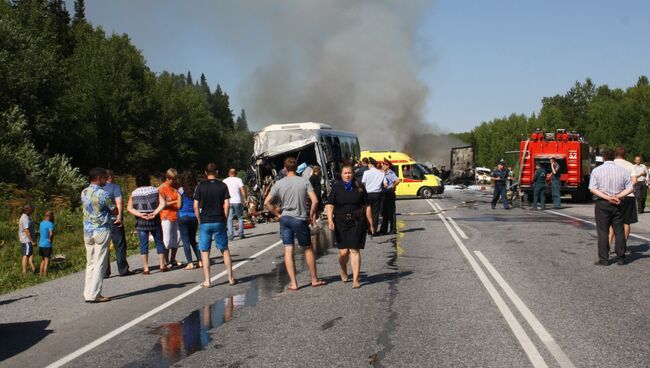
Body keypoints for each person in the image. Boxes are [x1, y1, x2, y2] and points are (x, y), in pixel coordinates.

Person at [264, 157, 326, 291]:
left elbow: (266, 202)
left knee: (288, 249)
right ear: (297, 168)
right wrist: (310, 215)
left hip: (285, 218)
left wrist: (277, 214)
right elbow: (315, 201)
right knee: (307, 248)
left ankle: (293, 283)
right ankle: (314, 279)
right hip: (300, 218)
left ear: (285, 169)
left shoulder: (279, 183)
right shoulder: (304, 181)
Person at [327, 165, 374, 288]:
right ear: (341, 175)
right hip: (340, 222)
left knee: (354, 249)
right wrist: (330, 220)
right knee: (343, 252)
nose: (347, 175)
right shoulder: (337, 187)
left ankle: (355, 279)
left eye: (349, 173)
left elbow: (367, 206)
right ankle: (343, 269)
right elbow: (330, 205)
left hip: (357, 221)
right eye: (345, 173)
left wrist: (371, 223)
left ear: (353, 174)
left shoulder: (359, 187)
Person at [588, 148, 633, 265]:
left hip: (603, 202)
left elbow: (592, 188)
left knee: (603, 231)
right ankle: (621, 257)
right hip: (618, 203)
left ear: (603, 157)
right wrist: (618, 196)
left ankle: (604, 258)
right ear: (614, 157)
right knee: (619, 230)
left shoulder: (597, 171)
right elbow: (630, 188)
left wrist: (608, 197)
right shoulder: (623, 171)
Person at [194, 163, 234, 288]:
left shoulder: (200, 186)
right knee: (224, 249)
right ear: (216, 172)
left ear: (205, 173)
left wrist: (199, 219)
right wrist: (225, 218)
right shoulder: (223, 185)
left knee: (205, 251)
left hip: (206, 221)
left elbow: (195, 205)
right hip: (219, 220)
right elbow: (227, 204)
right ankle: (230, 278)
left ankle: (207, 280)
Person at [81, 168, 117, 303]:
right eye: (103, 178)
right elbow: (114, 209)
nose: (105, 180)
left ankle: (87, 292)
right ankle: (95, 294)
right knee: (100, 262)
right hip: (101, 229)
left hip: (88, 230)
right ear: (99, 178)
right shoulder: (103, 194)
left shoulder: (84, 192)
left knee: (90, 262)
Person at [127, 172, 166, 275]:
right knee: (159, 242)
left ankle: (146, 268)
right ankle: (162, 265)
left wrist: (140, 214)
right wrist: (155, 212)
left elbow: (129, 208)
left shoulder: (134, 193)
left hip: (141, 221)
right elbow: (163, 203)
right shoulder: (155, 190)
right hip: (155, 219)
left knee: (144, 244)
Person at [102, 169, 131, 277]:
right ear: (110, 177)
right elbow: (119, 202)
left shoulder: (98, 189)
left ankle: (105, 271)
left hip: (102, 221)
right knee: (119, 245)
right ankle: (123, 270)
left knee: (104, 246)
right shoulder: (115, 187)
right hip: (114, 219)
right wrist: (119, 217)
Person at [608, 146, 638, 250]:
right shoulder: (630, 165)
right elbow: (634, 181)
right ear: (624, 155)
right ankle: (622, 245)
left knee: (611, 223)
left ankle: (608, 245)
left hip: (613, 195)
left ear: (614, 154)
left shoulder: (611, 164)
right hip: (628, 196)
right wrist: (626, 189)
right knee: (626, 222)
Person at [178, 171, 201, 269]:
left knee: (185, 240)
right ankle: (200, 260)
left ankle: (190, 263)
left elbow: (179, 205)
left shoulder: (181, 190)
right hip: (194, 217)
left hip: (183, 216)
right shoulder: (196, 189)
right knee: (193, 240)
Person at [159, 169, 182, 267]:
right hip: (166, 216)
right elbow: (163, 204)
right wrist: (176, 201)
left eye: (175, 179)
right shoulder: (162, 188)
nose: (174, 181)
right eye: (172, 179)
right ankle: (166, 260)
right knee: (167, 240)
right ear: (167, 178)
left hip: (177, 215)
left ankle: (172, 259)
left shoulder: (177, 186)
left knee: (177, 238)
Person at [223, 168, 247, 241]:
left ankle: (231, 236)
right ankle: (240, 234)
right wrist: (245, 199)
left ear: (229, 173)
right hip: (237, 201)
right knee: (240, 217)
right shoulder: (238, 180)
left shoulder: (224, 181)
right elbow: (242, 190)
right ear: (235, 173)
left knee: (229, 219)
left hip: (228, 202)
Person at [362, 157, 385, 229]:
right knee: (375, 213)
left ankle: (368, 227)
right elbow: (385, 184)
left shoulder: (366, 172)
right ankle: (374, 229)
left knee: (367, 211)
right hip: (377, 194)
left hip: (368, 194)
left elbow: (363, 183)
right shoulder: (381, 173)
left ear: (370, 164)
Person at [379, 160, 400, 235]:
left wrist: (392, 187)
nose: (383, 165)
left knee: (391, 212)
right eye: (383, 164)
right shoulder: (382, 172)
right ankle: (383, 230)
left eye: (385, 164)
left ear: (388, 166)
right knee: (384, 213)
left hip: (389, 194)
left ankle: (393, 229)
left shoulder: (390, 173)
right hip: (384, 194)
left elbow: (398, 180)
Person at [18, 204, 36, 274]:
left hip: (25, 239)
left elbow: (20, 229)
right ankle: (24, 271)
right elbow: (26, 230)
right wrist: (32, 241)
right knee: (26, 255)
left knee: (30, 254)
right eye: (32, 210)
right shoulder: (25, 218)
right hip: (27, 240)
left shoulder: (27, 217)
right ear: (28, 210)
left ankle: (33, 268)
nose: (33, 211)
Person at [38, 210, 55, 277]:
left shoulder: (41, 223)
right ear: (50, 216)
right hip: (47, 245)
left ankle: (40, 274)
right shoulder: (50, 224)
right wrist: (50, 240)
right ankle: (45, 275)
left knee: (43, 260)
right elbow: (51, 233)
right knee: (47, 261)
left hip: (41, 244)